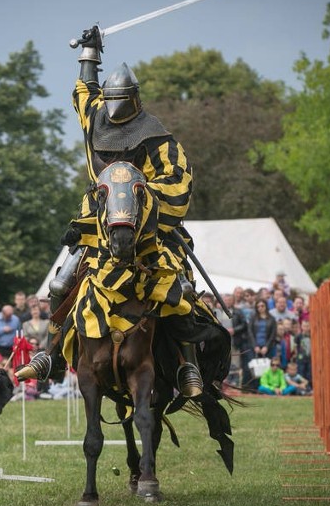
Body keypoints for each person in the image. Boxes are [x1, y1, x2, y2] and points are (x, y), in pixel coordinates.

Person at [16, 26, 216, 398]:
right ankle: (51, 355)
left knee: (180, 285)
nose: (113, 107)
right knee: (61, 284)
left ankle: (187, 364)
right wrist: (90, 51)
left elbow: (178, 181)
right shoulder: (97, 117)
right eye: (110, 100)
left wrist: (137, 200)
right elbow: (84, 92)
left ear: (135, 99)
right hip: (97, 229)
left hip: (148, 232)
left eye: (120, 100)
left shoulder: (157, 137)